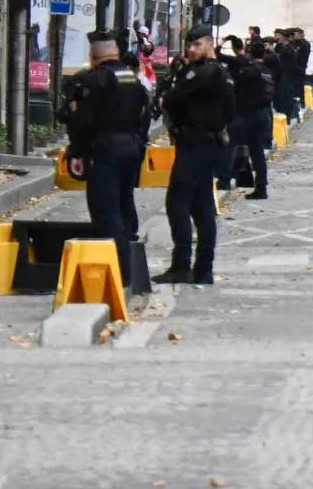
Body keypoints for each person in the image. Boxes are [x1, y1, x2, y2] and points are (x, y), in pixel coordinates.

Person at [57, 30, 154, 298]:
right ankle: (131, 263)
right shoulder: (132, 79)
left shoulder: (90, 80)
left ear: (93, 55)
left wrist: (76, 153)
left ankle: (117, 272)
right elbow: (144, 114)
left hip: (104, 150)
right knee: (124, 204)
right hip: (131, 148)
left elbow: (81, 121)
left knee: (105, 210)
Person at [156, 33, 236, 284]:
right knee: (202, 206)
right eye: (189, 45)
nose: (191, 49)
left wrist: (173, 88)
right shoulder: (221, 71)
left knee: (177, 201)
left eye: (197, 44)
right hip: (206, 143)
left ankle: (182, 264)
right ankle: (203, 269)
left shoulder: (205, 73)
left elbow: (170, 99)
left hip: (195, 143)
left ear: (210, 44)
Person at [230, 34, 277, 199]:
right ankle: (261, 186)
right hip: (263, 115)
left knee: (229, 145)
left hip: (246, 114)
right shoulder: (268, 71)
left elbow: (237, 91)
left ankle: (224, 180)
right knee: (257, 152)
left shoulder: (248, 72)